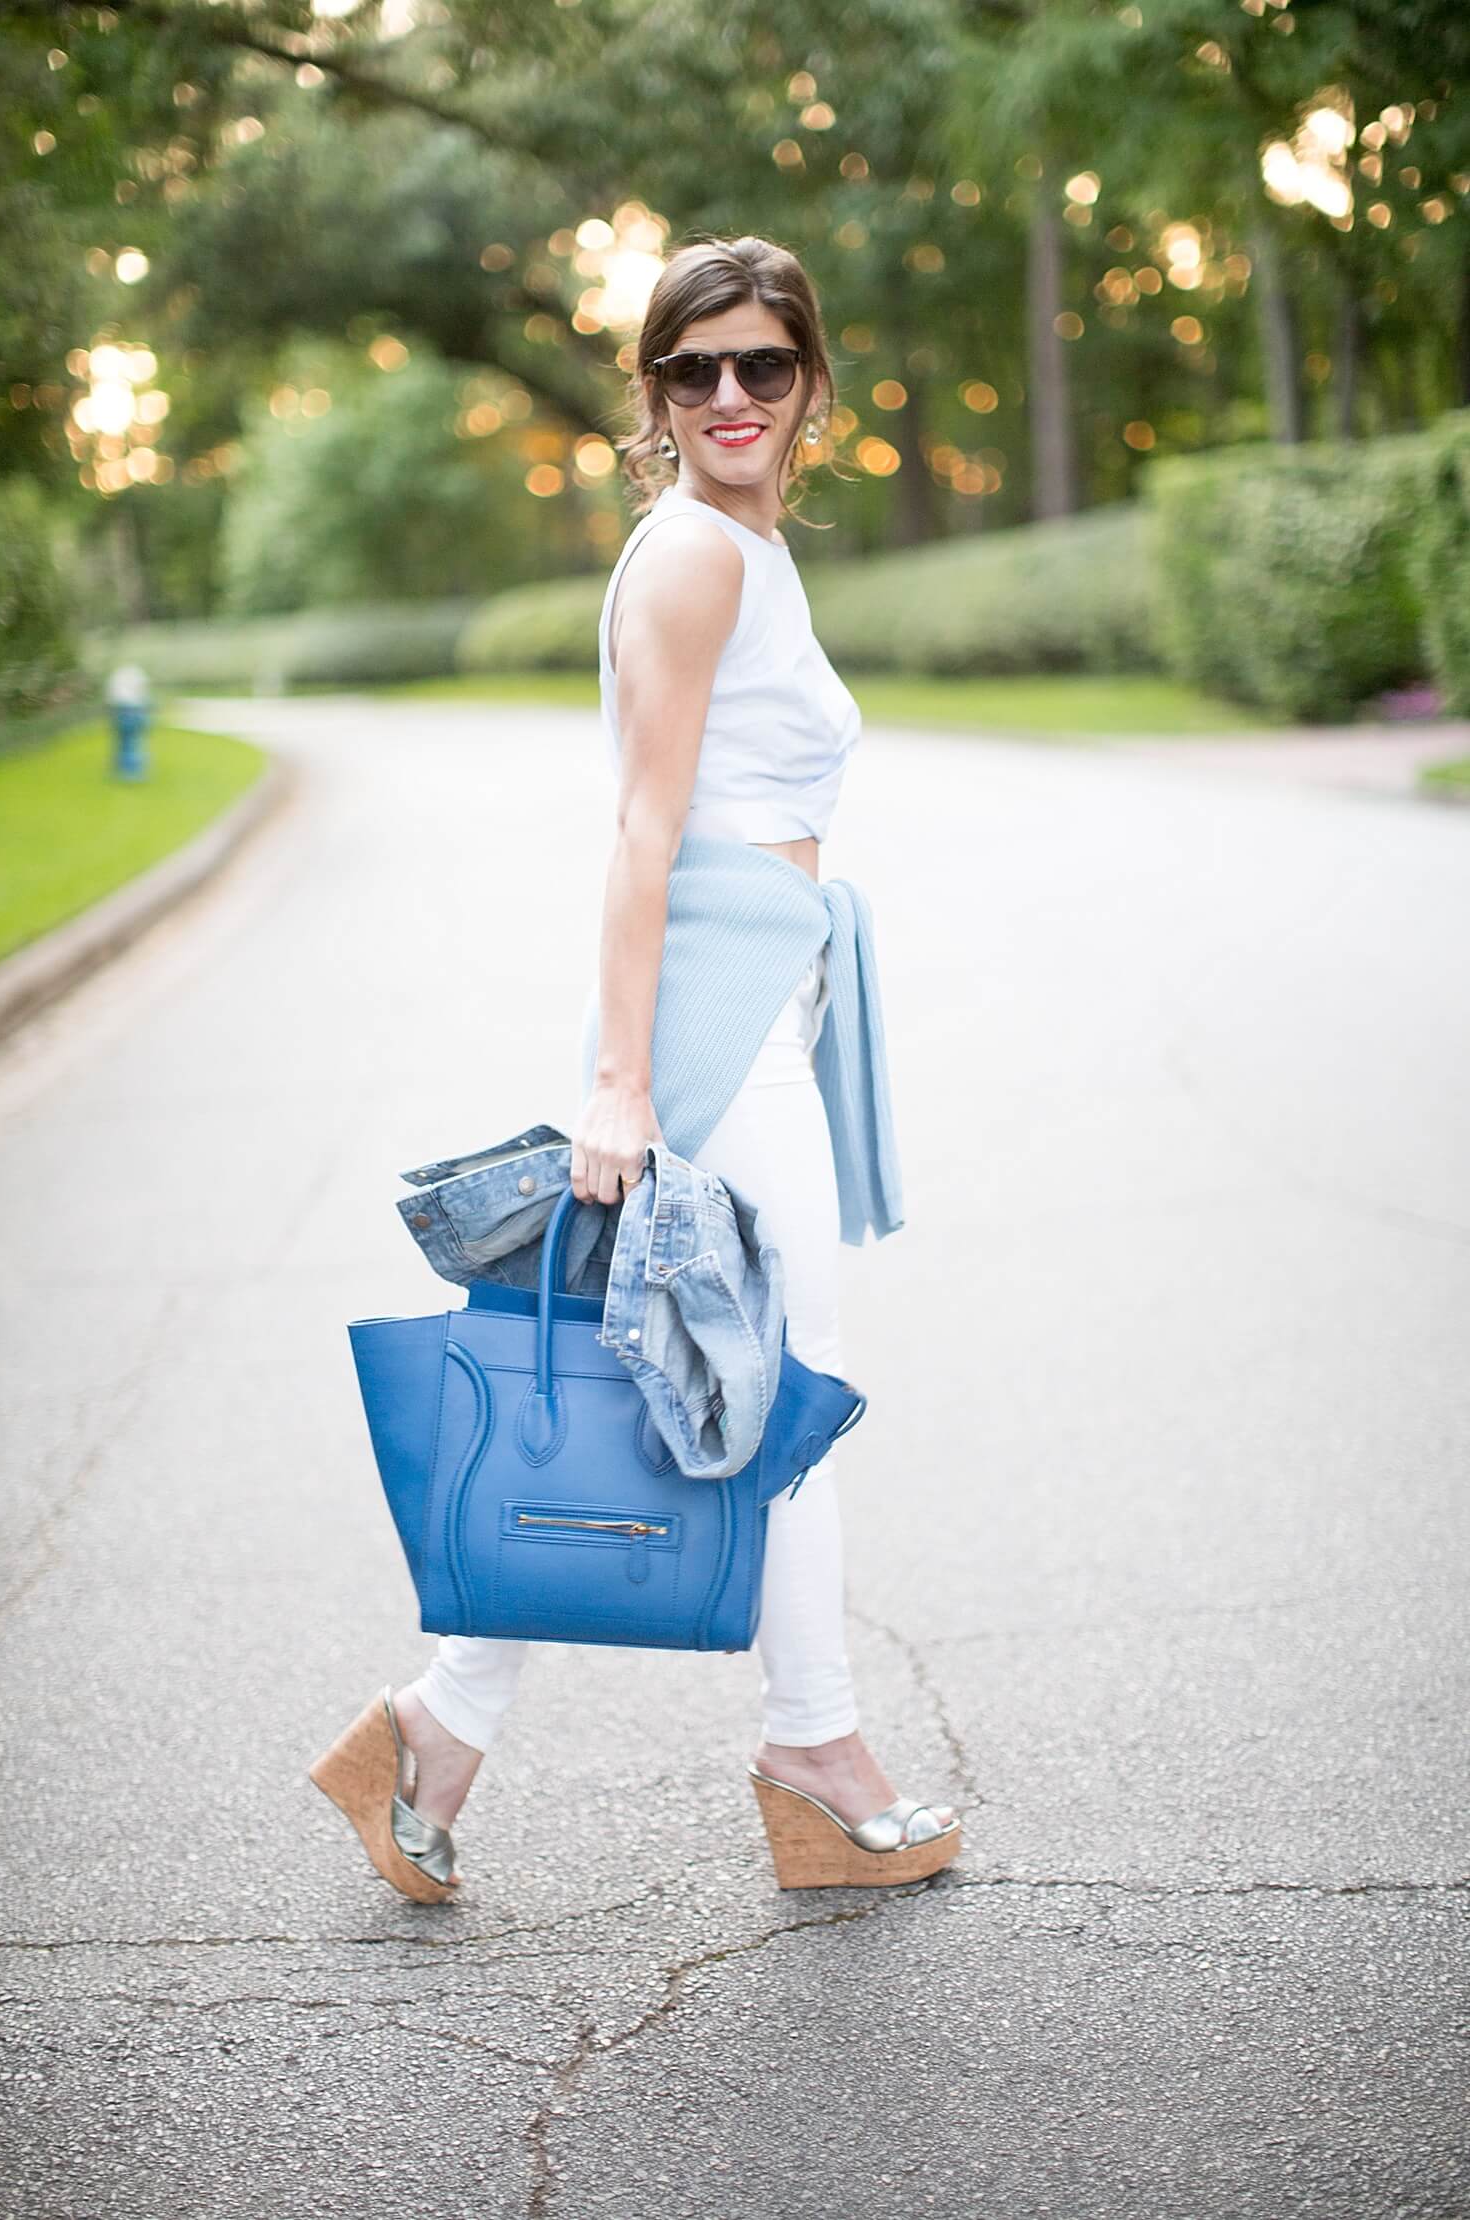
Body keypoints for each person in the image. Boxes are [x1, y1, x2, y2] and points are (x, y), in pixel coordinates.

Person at [309, 235, 962, 1895]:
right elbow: (643, 833)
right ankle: (815, 1750)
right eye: (694, 370)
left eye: (762, 364)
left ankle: (431, 1738)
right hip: (710, 1019)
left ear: (811, 380)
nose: (729, 396)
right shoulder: (694, 560)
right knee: (782, 1382)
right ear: (654, 394)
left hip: (750, 996)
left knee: (691, 1372)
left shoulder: (740, 548)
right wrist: (619, 1081)